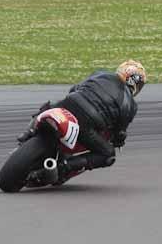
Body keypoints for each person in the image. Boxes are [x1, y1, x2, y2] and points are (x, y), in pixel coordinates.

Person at [18, 60, 146, 177]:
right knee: (108, 154)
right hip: (86, 123)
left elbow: (74, 88)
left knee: (49, 107)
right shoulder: (131, 105)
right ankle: (64, 167)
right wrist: (119, 140)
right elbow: (120, 131)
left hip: (69, 103)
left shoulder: (100, 74)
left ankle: (28, 133)